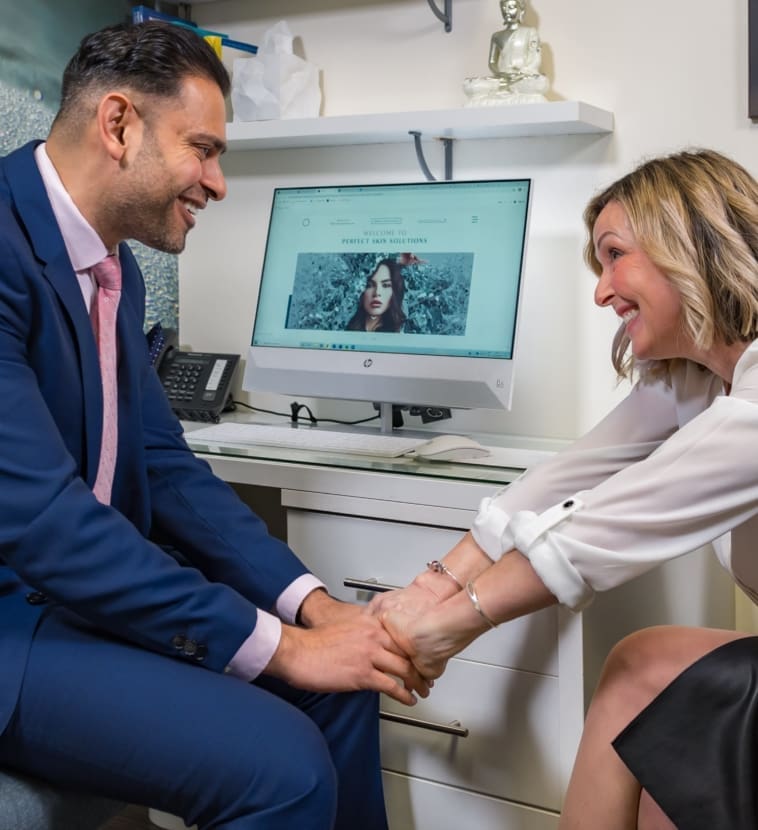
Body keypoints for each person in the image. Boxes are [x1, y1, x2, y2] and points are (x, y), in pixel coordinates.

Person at [0, 21, 428, 830]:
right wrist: (281, 646)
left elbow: (163, 465)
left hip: (76, 601)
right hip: (12, 625)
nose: (218, 183)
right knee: (286, 769)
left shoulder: (107, 258)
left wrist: (309, 608)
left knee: (341, 697)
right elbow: (43, 521)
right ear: (119, 125)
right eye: (203, 148)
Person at [370, 148, 758, 828]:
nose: (602, 291)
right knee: (642, 670)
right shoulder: (699, 378)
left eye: (614, 256)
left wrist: (445, 627)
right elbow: (569, 477)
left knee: (685, 735)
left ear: (686, 245)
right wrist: (435, 582)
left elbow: (601, 528)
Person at [463, 0, 549, 106]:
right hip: (501, 79)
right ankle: (505, 89)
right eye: (504, 8)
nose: (507, 11)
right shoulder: (497, 36)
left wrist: (522, 73)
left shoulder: (530, 32)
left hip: (522, 78)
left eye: (511, 7)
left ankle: (509, 89)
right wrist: (502, 74)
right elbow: (492, 63)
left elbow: (535, 59)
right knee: (471, 86)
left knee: (539, 83)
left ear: (521, 11)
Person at [345, 258, 407, 332]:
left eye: (385, 285)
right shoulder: (343, 326)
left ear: (395, 291)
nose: (377, 293)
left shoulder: (402, 332)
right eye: (369, 285)